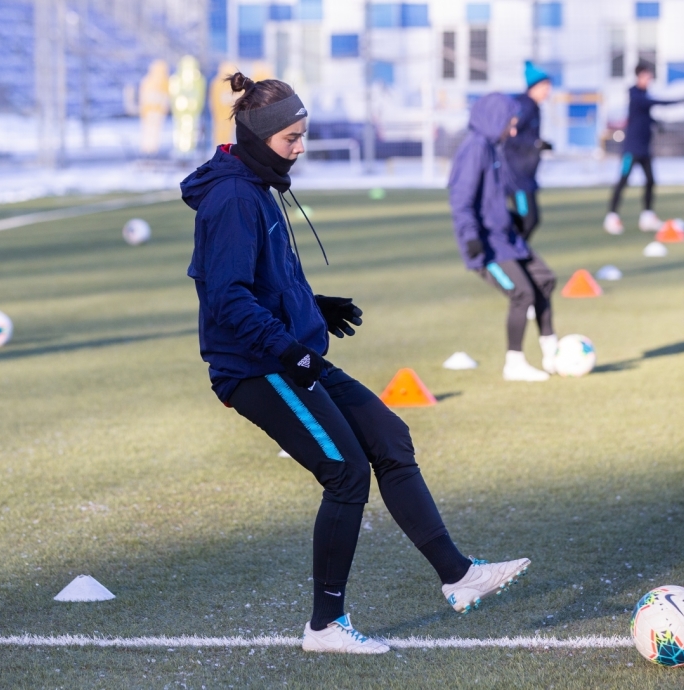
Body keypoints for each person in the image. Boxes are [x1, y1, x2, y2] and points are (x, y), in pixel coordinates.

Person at [181, 74, 531, 655]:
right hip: (256, 367)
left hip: (286, 352)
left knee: (388, 435)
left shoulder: (258, 186)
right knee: (345, 473)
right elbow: (227, 298)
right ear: (261, 135)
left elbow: (261, 281)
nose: (299, 148)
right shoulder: (234, 197)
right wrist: (292, 348)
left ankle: (458, 575)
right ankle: (325, 628)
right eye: (292, 138)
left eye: (303, 136)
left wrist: (311, 306)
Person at [449, 92, 559, 382]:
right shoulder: (474, 149)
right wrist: (471, 238)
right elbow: (461, 199)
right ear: (495, 119)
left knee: (544, 280)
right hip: (486, 246)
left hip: (507, 239)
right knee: (522, 293)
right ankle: (514, 363)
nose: (512, 131)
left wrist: (514, 218)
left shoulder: (493, 147)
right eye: (510, 124)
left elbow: (497, 195)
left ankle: (553, 354)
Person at [604, 62, 684, 235]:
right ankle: (612, 217)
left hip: (644, 149)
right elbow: (653, 103)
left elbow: (645, 116)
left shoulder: (644, 94)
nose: (649, 80)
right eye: (647, 76)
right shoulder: (635, 94)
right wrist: (680, 101)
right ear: (639, 76)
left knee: (650, 180)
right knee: (622, 181)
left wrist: (657, 125)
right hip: (631, 149)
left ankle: (647, 216)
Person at [504, 61, 554, 240]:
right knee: (527, 219)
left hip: (526, 175)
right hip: (516, 175)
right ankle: (510, 258)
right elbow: (510, 137)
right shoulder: (523, 107)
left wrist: (540, 144)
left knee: (531, 220)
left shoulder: (533, 107)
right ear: (534, 87)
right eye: (545, 86)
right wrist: (535, 144)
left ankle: (516, 257)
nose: (548, 90)